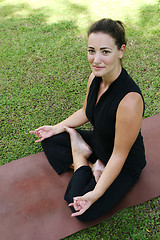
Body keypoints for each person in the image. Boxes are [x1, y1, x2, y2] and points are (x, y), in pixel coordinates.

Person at [30, 18, 146, 222]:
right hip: (100, 142)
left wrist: (96, 193)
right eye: (91, 51)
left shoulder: (130, 100)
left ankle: (81, 156)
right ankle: (90, 164)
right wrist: (57, 127)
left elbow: (119, 155)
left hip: (123, 162)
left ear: (121, 51)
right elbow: (85, 111)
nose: (96, 59)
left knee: (82, 205)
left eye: (105, 51)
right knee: (50, 139)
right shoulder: (95, 78)